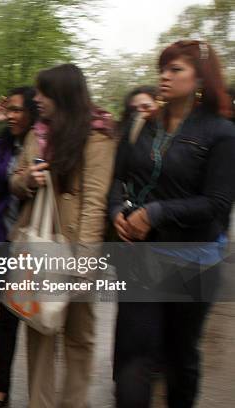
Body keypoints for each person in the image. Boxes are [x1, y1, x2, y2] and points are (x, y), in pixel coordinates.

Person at [109, 40, 235, 408]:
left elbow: (216, 204)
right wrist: (117, 210)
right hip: (139, 259)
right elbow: (119, 178)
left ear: (199, 79)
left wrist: (155, 213)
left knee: (181, 358)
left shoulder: (221, 133)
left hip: (193, 262)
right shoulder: (142, 125)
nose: (164, 76)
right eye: (162, 68)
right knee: (132, 356)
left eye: (175, 69)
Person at [9, 64, 117, 408]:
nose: (36, 99)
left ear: (62, 95)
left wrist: (84, 265)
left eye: (43, 93)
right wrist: (28, 180)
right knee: (39, 332)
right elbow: (14, 180)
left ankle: (74, 403)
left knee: (79, 338)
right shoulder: (37, 134)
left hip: (78, 252)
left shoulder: (98, 136)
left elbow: (94, 203)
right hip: (36, 248)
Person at [0, 87, 38, 407]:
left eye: (18, 110)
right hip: (6, 240)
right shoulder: (1, 144)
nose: (13, 116)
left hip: (39, 241)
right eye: (9, 110)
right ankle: (1, 387)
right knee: (6, 318)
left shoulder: (45, 142)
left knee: (43, 317)